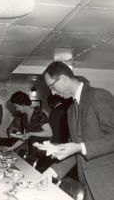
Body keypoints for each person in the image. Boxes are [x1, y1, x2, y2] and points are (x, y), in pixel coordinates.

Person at [36, 61, 114, 200]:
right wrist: (53, 170)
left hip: (108, 182)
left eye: (52, 87)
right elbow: (75, 150)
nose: (53, 92)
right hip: (88, 183)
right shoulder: (71, 110)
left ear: (63, 78)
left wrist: (80, 146)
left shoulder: (98, 96)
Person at [4, 91, 52, 163]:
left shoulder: (39, 114)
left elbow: (49, 133)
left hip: (44, 153)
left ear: (23, 104)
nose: (17, 109)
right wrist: (12, 148)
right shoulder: (25, 117)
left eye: (17, 106)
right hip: (33, 152)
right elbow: (25, 137)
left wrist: (31, 134)